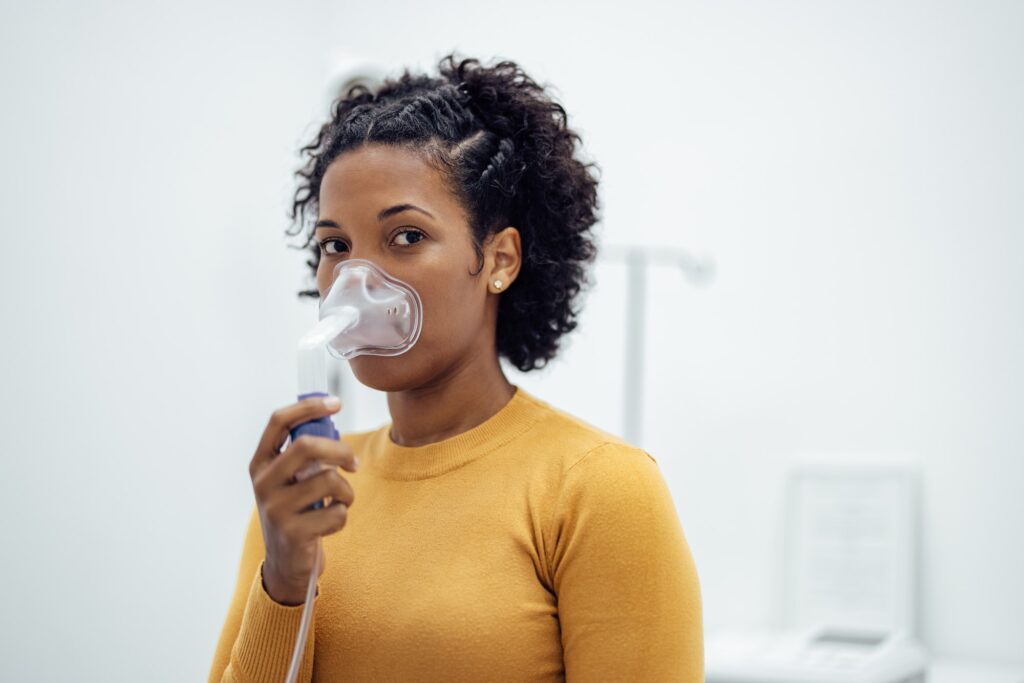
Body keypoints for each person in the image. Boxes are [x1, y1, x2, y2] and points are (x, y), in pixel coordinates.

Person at [208, 52, 703, 682]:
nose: (356, 282)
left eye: (406, 237)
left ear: (499, 259)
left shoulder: (600, 491)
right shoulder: (304, 494)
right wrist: (283, 579)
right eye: (336, 245)